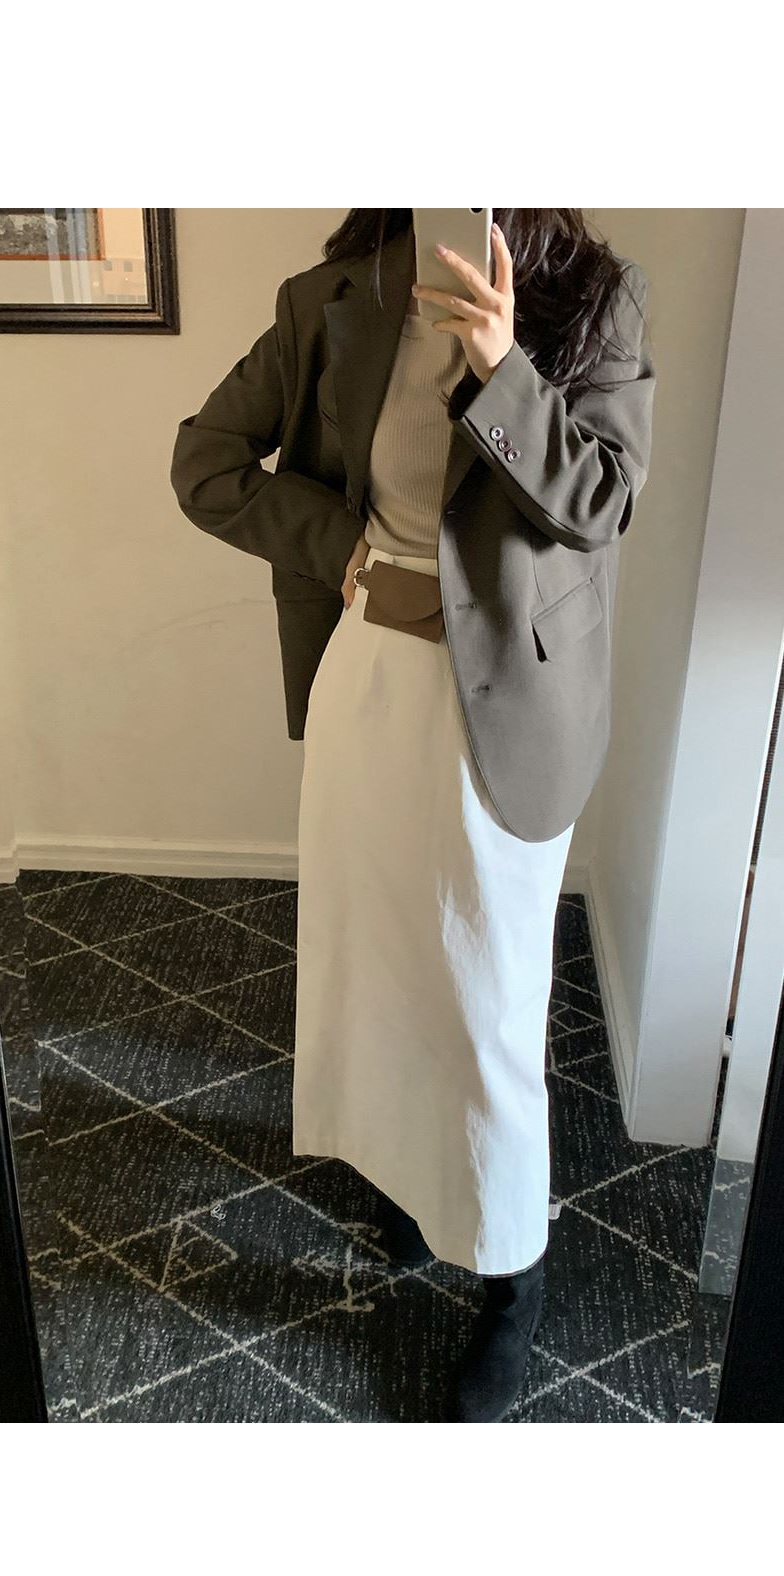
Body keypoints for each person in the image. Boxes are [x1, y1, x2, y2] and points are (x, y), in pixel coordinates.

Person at [170, 209, 656, 1422]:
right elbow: (205, 462)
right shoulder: (332, 294)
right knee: (376, 964)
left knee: (488, 1002)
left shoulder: (592, 296)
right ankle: (401, 1180)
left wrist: (503, 367)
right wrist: (339, 544)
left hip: (511, 708)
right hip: (369, 681)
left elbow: (601, 501)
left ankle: (511, 1278)